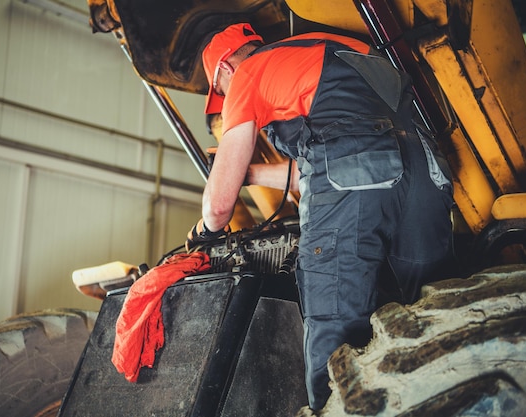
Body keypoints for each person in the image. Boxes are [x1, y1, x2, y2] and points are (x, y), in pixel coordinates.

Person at [186, 22, 454, 411]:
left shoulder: (247, 73)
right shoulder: (342, 50)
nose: (226, 99)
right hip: (427, 175)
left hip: (357, 181)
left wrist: (202, 231)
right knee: (432, 311)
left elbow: (218, 207)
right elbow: (333, 157)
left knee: (336, 328)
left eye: (221, 94)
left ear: (225, 69)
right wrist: (253, 174)